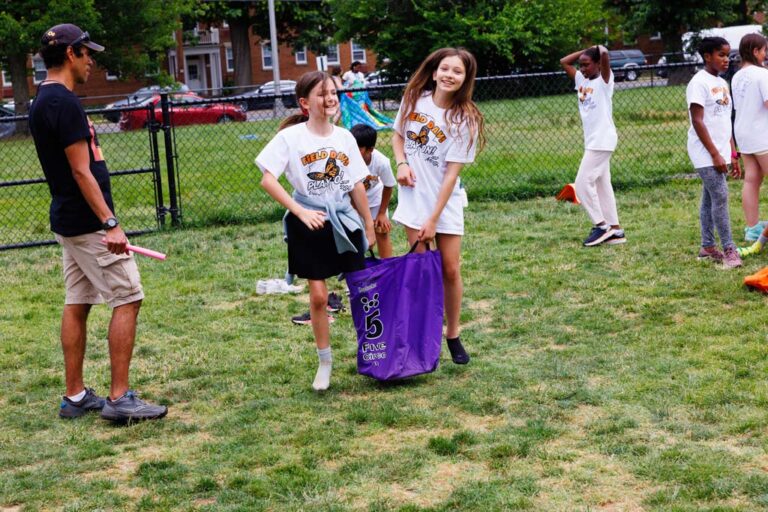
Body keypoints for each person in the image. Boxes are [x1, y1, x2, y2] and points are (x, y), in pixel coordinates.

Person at [28, 24, 167, 422]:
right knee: (128, 296)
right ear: (70, 53)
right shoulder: (64, 104)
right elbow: (80, 171)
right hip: (88, 224)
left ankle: (75, 397)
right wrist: (110, 223)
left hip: (69, 220)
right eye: (87, 52)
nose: (92, 60)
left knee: (78, 301)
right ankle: (119, 398)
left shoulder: (44, 100)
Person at [257, 71, 376, 391]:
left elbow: (355, 184)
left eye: (333, 93)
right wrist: (299, 211)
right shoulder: (290, 138)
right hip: (308, 222)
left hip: (344, 219)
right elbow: (268, 179)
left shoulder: (345, 137)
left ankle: (374, 352)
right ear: (305, 103)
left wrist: (367, 223)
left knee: (363, 291)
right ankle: (325, 362)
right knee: (320, 296)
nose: (330, 99)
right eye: (323, 94)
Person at [392, 47, 485, 365]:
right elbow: (397, 136)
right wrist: (402, 163)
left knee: (449, 268)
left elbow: (451, 176)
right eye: (445, 69)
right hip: (414, 198)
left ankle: (453, 334)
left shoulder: (465, 120)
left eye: (457, 71)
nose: (449, 75)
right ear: (434, 72)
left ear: (465, 79)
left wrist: (432, 219)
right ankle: (422, 337)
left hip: (444, 203)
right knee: (421, 272)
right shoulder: (414, 99)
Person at [560, 45, 625, 247]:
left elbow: (605, 55)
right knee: (602, 185)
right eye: (581, 65)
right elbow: (564, 61)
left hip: (602, 140)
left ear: (598, 64)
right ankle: (615, 230)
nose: (583, 69)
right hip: (593, 141)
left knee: (582, 183)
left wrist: (600, 50)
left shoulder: (605, 82)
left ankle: (601, 226)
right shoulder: (581, 80)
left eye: (587, 65)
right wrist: (584, 52)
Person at [685, 37, 742, 268]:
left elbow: (724, 120)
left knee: (709, 197)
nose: (726, 59)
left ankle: (707, 246)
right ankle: (729, 250)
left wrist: (731, 152)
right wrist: (715, 154)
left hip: (720, 150)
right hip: (704, 151)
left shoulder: (722, 82)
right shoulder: (698, 83)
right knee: (720, 195)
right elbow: (698, 121)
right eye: (721, 54)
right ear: (707, 56)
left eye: (727, 55)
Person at [732, 34, 768, 247]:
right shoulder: (762, 74)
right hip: (762, 135)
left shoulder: (737, 76)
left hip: (744, 134)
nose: (766, 55)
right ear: (755, 51)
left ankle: (752, 229)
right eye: (764, 51)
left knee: (751, 180)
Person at [351, 123, 396, 258]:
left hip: (376, 201)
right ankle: (357, 271)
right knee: (355, 236)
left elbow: (388, 186)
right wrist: (364, 220)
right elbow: (347, 191)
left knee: (382, 231)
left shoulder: (381, 162)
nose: (352, 150)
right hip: (353, 203)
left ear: (370, 149)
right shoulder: (346, 161)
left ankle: (387, 267)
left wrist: (382, 213)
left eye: (357, 148)